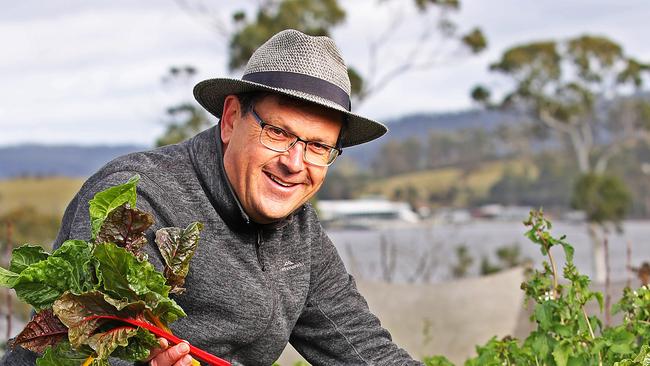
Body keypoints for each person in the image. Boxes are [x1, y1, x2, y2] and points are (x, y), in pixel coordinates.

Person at [1, 29, 422, 366]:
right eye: (278, 132)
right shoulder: (136, 197)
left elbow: (366, 351)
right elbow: (81, 347)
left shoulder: (300, 233)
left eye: (317, 147)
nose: (295, 162)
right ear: (232, 118)